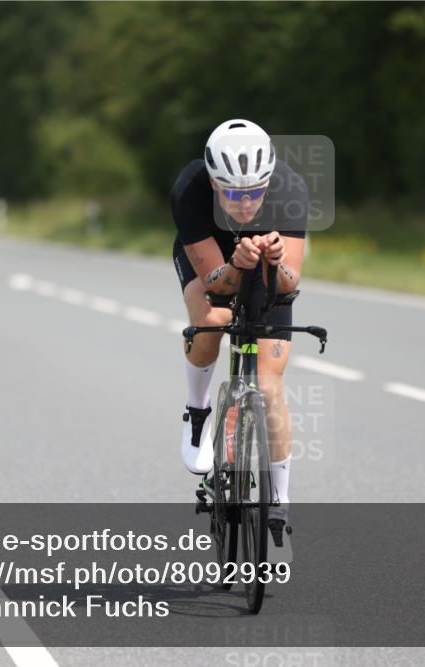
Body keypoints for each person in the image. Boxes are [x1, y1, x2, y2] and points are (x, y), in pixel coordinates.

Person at [170, 119, 308, 558]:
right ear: (213, 182)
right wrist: (236, 264)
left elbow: (289, 284)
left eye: (253, 192)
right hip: (212, 259)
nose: (245, 204)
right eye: (232, 193)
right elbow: (216, 283)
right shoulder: (190, 190)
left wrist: (274, 260)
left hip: (266, 271)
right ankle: (197, 411)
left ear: (269, 181)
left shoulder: (289, 190)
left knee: (269, 386)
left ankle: (280, 504)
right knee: (210, 320)